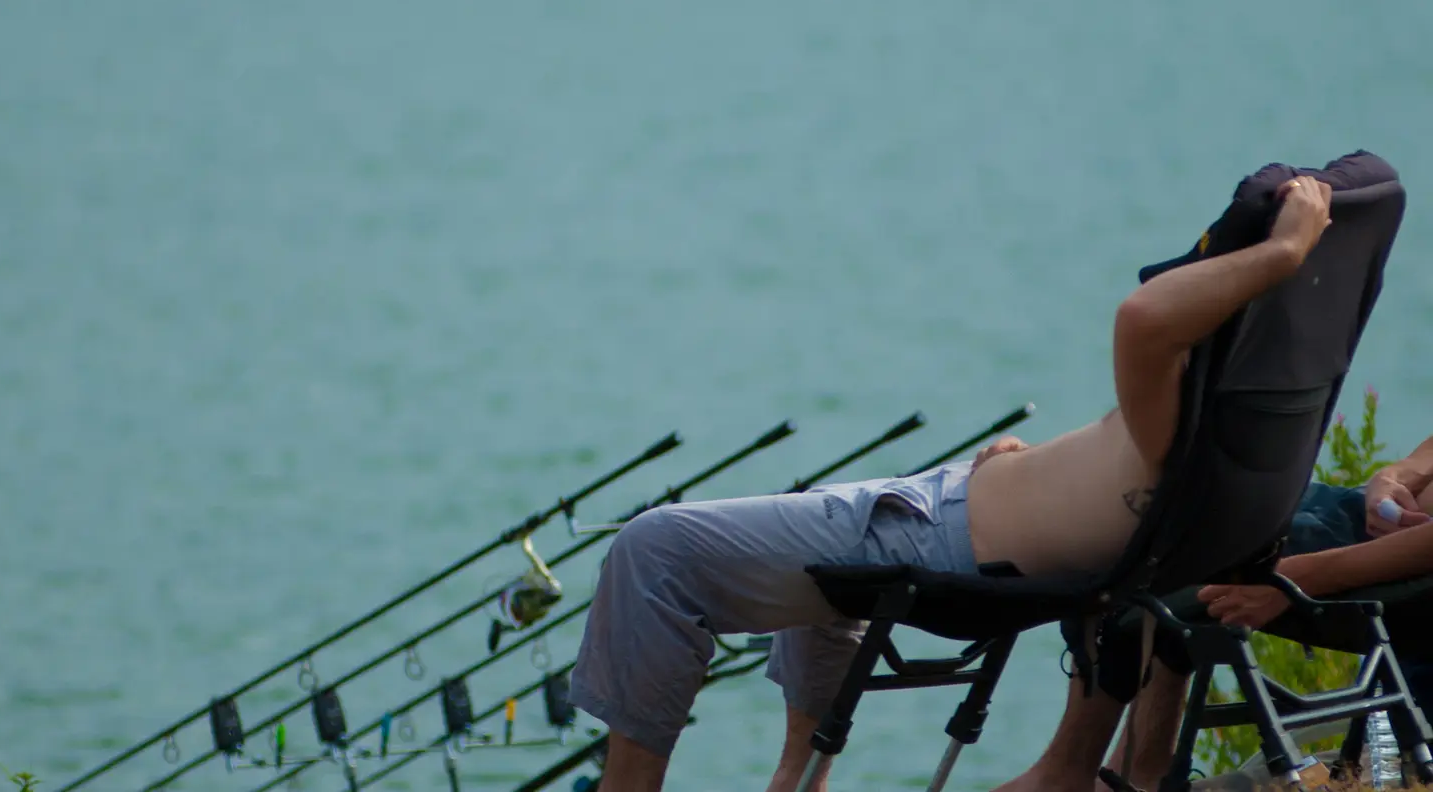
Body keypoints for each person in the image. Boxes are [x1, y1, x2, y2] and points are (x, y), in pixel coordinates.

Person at [566, 176, 1336, 792]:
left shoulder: (1174, 399)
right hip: (970, 517)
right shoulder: (1241, 422)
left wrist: (1284, 251)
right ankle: (798, 779)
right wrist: (1024, 472)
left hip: (945, 536)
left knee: (653, 547)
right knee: (809, 531)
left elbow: (1140, 317)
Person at [989, 434, 1433, 792]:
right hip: (1379, 524)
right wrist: (1395, 477)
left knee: (1156, 540)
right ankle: (1135, 769)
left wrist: (1290, 578)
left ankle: (1074, 773)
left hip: (1404, 577)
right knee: (1175, 496)